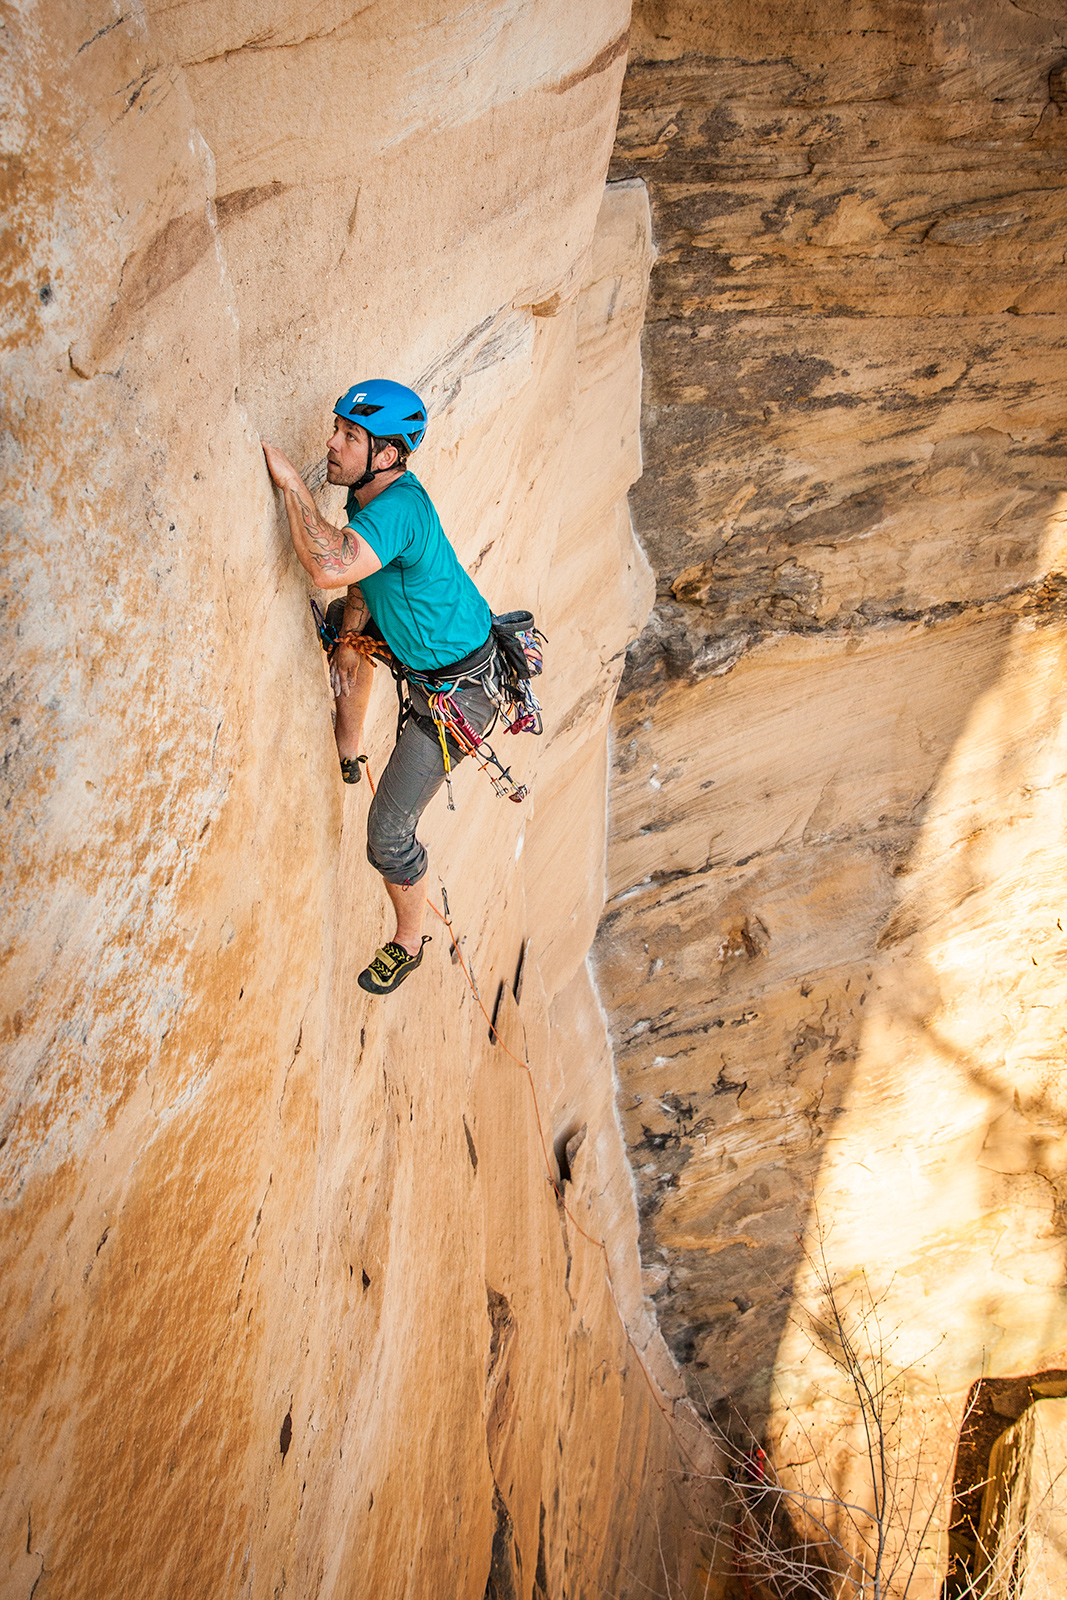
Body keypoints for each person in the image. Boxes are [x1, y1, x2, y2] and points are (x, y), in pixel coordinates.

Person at [262, 380, 498, 997]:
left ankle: (409, 942)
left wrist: (291, 485)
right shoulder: (373, 497)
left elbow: (328, 564)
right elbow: (361, 581)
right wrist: (350, 632)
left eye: (349, 436)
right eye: (336, 428)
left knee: (387, 834)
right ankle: (350, 750)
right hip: (437, 663)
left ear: (387, 455)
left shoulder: (396, 510)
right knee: (350, 630)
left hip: (460, 695)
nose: (332, 444)